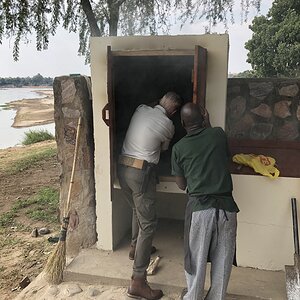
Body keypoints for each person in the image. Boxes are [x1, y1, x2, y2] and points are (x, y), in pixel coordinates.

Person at [171, 103, 239, 300]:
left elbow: (182, 185)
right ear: (203, 118)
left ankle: (193, 297)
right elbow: (223, 153)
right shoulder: (217, 134)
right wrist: (207, 121)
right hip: (227, 209)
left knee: (197, 259)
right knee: (223, 260)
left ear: (182, 123)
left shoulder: (179, 148)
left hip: (201, 210)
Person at [118, 92, 182, 300]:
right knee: (149, 224)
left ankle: (134, 248)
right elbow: (163, 149)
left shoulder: (141, 108)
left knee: (137, 210)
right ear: (173, 111)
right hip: (140, 173)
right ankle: (138, 281)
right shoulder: (168, 125)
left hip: (122, 168)